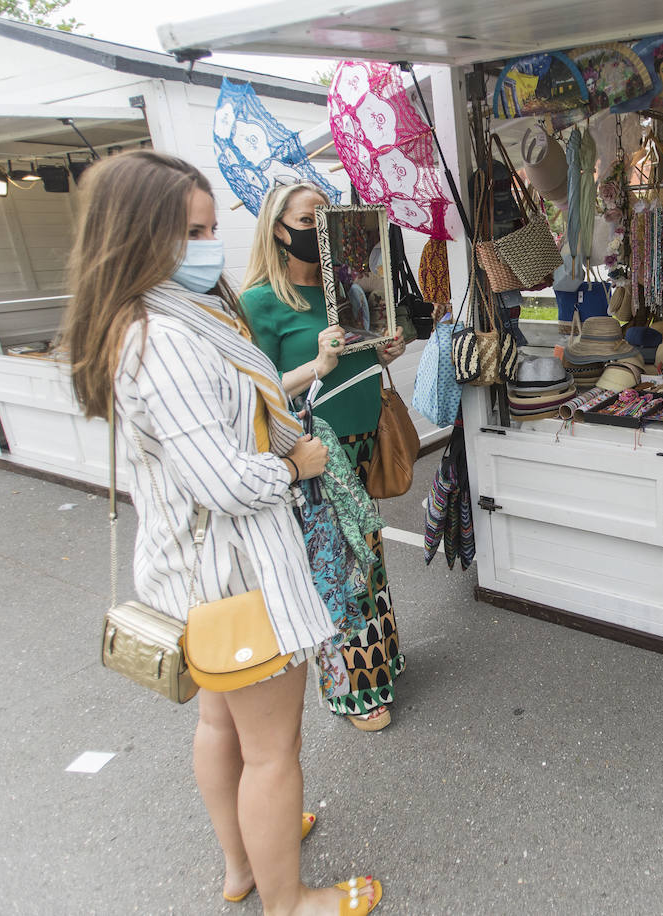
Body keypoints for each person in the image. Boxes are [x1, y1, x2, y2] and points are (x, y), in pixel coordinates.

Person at [64, 151, 381, 914]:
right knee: (273, 751)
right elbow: (226, 480)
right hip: (236, 576)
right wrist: (299, 466)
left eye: (210, 228)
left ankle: (244, 864)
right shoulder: (168, 338)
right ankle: (288, 899)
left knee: (222, 724)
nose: (207, 246)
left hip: (195, 572)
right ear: (139, 238)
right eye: (190, 233)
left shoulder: (153, 319)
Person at [241, 181, 408, 732]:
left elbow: (357, 354)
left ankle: (380, 664)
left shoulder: (349, 292)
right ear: (278, 229)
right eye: (309, 220)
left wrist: (380, 348)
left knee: (369, 559)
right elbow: (254, 396)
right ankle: (352, 689)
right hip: (317, 453)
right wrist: (316, 365)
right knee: (336, 569)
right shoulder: (261, 302)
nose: (320, 230)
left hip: (363, 439)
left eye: (327, 217)